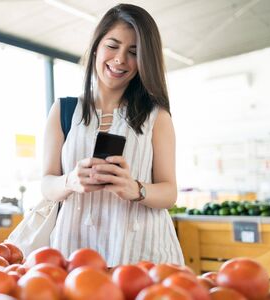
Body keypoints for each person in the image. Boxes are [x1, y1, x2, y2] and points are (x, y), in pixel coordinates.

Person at [41, 3, 184, 266]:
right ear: (96, 46)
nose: (120, 59)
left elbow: (169, 192)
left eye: (134, 52)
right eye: (112, 45)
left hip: (142, 254)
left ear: (144, 62)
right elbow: (46, 184)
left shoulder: (157, 117)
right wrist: (70, 181)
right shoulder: (64, 110)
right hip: (75, 252)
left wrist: (135, 189)